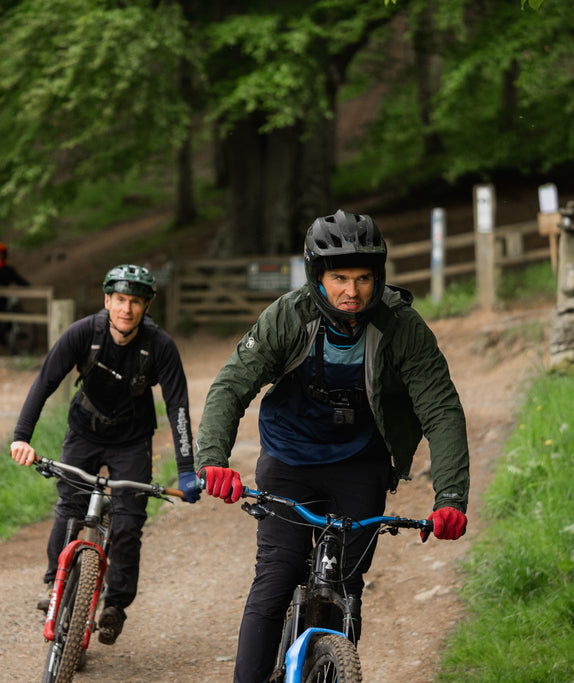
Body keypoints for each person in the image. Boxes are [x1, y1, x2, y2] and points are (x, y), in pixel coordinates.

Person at [195, 210, 470, 683]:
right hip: (289, 460)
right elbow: (231, 386)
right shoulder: (289, 316)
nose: (352, 291)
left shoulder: (402, 327)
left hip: (358, 465)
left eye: (364, 278)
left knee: (346, 587)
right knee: (276, 580)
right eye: (339, 277)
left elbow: (441, 409)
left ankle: (333, 666)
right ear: (317, 276)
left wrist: (450, 498)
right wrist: (213, 460)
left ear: (378, 278)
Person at [9, 264, 201, 646]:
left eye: (135, 302)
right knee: (70, 508)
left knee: (129, 523)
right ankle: (55, 584)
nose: (126, 309)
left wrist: (186, 470)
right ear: (107, 301)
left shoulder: (159, 345)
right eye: (119, 300)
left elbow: (177, 406)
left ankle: (115, 605)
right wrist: (21, 437)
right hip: (84, 430)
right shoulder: (84, 333)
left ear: (146, 306)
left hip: (132, 439)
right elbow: (45, 382)